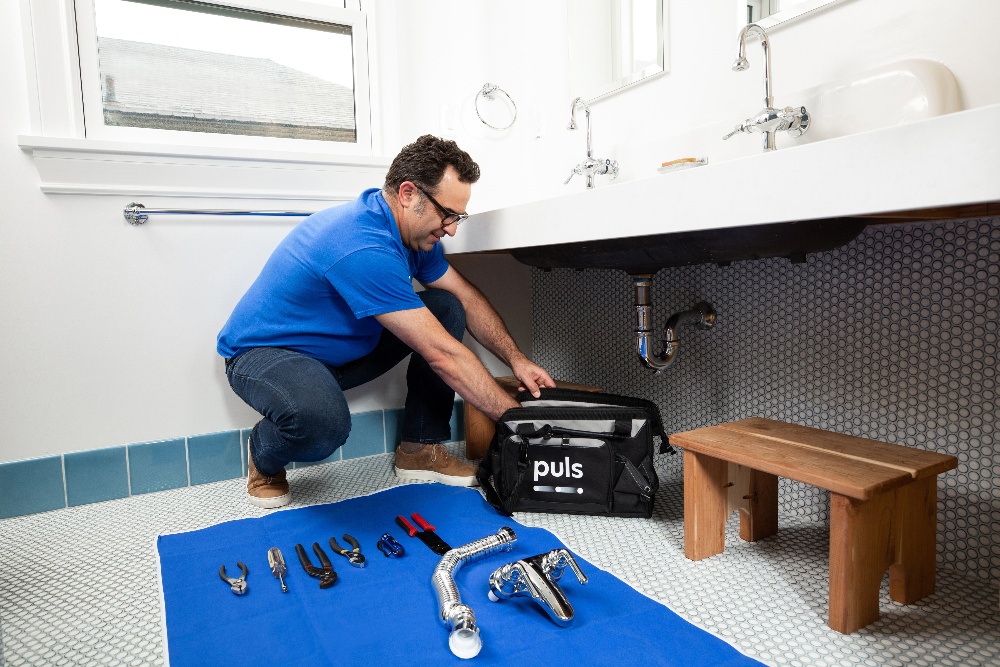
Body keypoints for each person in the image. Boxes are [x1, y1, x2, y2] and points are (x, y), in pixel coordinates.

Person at [218, 135, 555, 508]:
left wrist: (517, 359)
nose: (452, 229)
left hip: (338, 359)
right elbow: (443, 355)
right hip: (266, 356)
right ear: (408, 193)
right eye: (448, 215)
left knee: (446, 306)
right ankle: (264, 454)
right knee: (323, 423)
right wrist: (524, 427)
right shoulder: (361, 244)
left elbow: (467, 297)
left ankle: (419, 449)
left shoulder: (412, 238)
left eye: (458, 217)